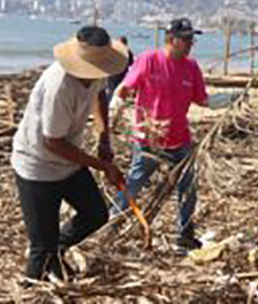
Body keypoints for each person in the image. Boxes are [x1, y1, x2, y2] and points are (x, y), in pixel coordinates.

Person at [11, 26, 126, 282]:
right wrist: (101, 166)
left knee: (96, 213)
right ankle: (40, 274)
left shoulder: (98, 70)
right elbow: (53, 142)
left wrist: (104, 136)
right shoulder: (59, 86)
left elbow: (99, 97)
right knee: (40, 252)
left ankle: (57, 249)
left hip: (68, 162)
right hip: (37, 165)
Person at [112, 17, 209, 252]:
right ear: (171, 39)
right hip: (149, 140)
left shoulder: (191, 67)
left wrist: (231, 100)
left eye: (192, 39)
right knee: (134, 184)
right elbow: (125, 88)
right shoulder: (149, 60)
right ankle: (111, 224)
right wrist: (114, 108)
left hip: (180, 139)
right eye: (185, 39)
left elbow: (203, 99)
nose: (190, 43)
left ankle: (185, 233)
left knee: (189, 188)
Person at [106, 36, 135, 101]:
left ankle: (111, 103)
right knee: (116, 90)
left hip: (116, 74)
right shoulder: (128, 52)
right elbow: (131, 63)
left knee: (113, 90)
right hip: (119, 74)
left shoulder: (116, 51)